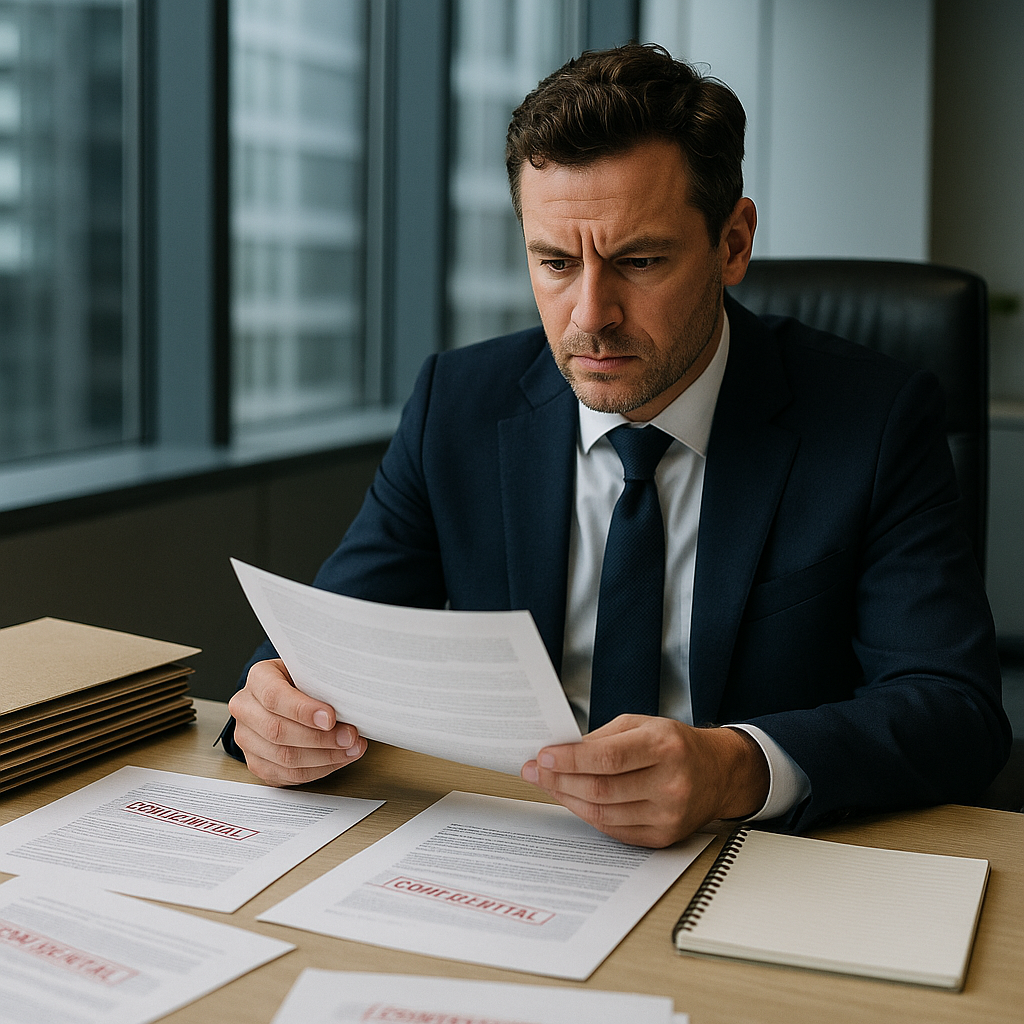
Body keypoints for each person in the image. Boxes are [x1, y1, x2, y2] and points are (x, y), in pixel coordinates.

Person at [220, 44, 1010, 848]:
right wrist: (274, 702)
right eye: (556, 263)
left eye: (639, 261)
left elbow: (954, 708)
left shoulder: (874, 419)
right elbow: (336, 636)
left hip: (758, 853)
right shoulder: (456, 405)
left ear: (733, 244)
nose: (590, 315)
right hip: (511, 840)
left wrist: (736, 767)